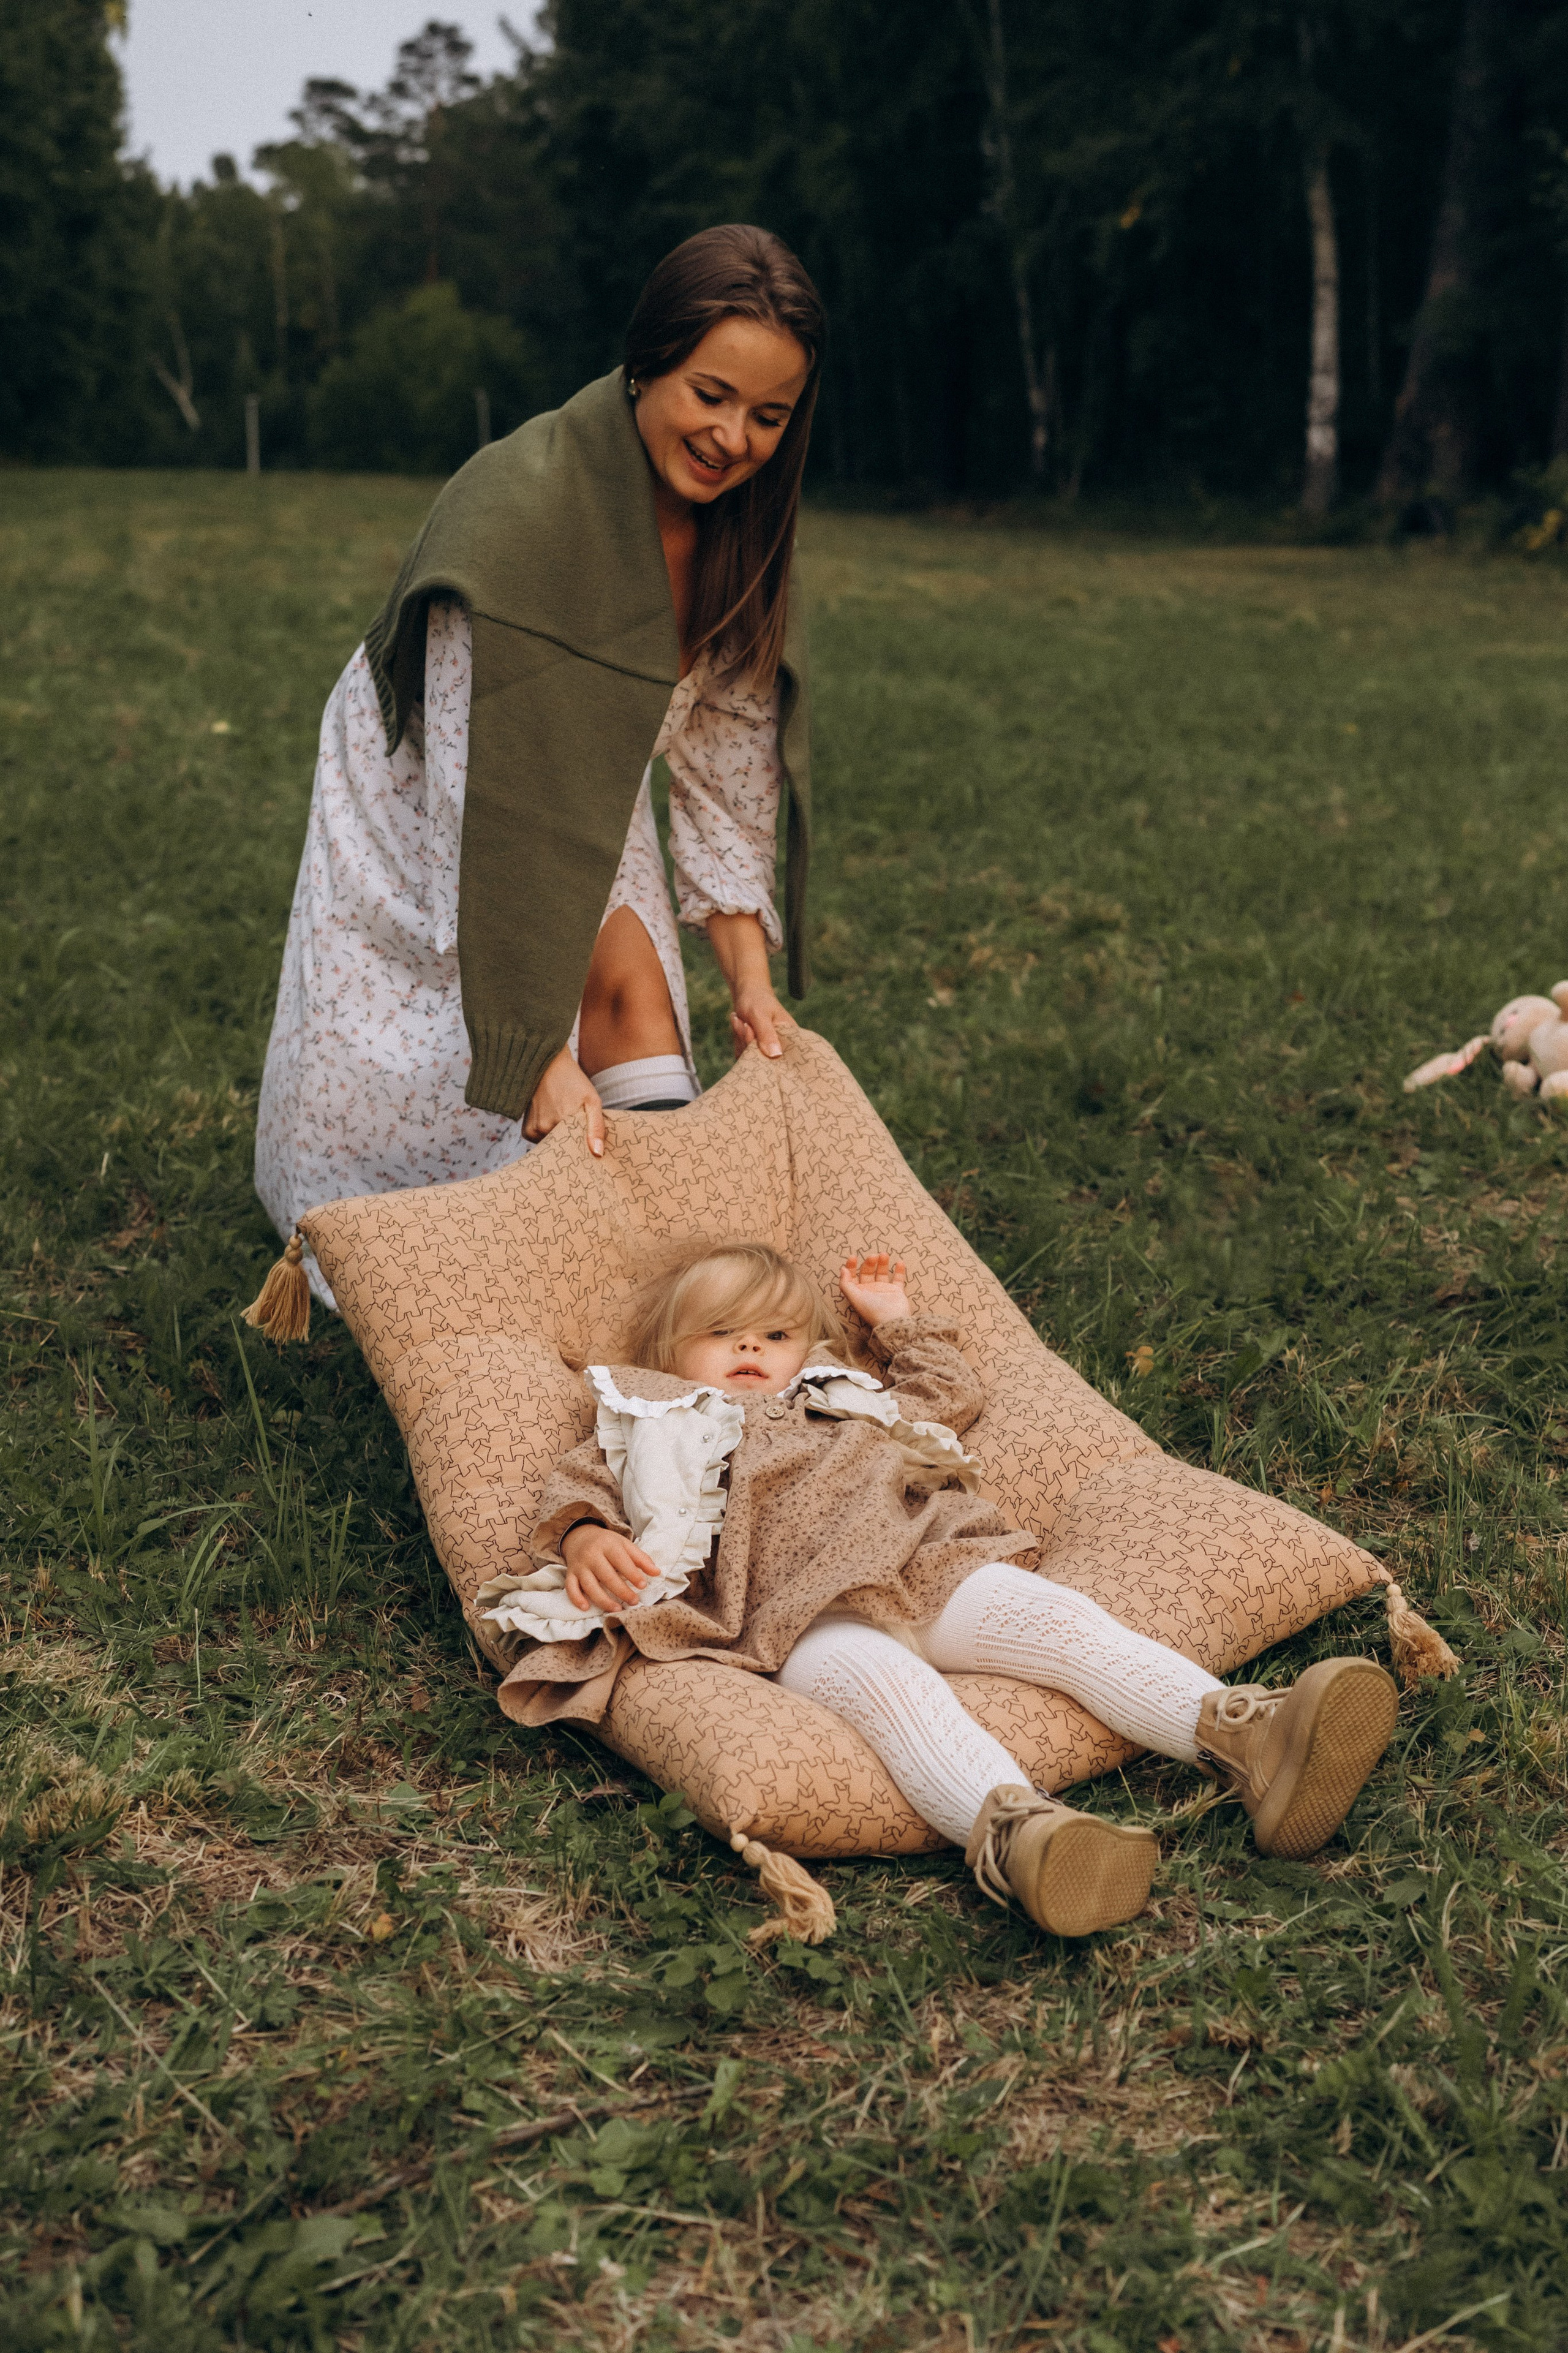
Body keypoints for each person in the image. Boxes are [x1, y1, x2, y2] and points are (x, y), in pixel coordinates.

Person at [477, 1244, 1400, 1939]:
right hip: (800, 1615)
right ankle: (1024, 1836)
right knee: (897, 1698)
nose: (752, 1347)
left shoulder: (849, 1391)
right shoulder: (649, 1411)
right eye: (722, 1333)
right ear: (669, 1351)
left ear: (815, 1347)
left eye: (776, 1332)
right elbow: (580, 1487)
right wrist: (592, 1535)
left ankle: (1247, 1733)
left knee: (1067, 1624)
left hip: (931, 1563)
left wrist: (894, 1317)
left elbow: (947, 1389)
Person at [254, 227, 823, 1304]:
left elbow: (719, 761)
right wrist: (531, 1055)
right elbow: (488, 819)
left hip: (591, 767)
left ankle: (666, 1278)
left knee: (628, 988)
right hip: (438, 780)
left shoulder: (742, 538)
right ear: (646, 360)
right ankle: (394, 1246)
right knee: (469, 1038)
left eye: (768, 415)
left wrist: (751, 981)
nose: (731, 437)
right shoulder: (512, 521)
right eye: (710, 393)